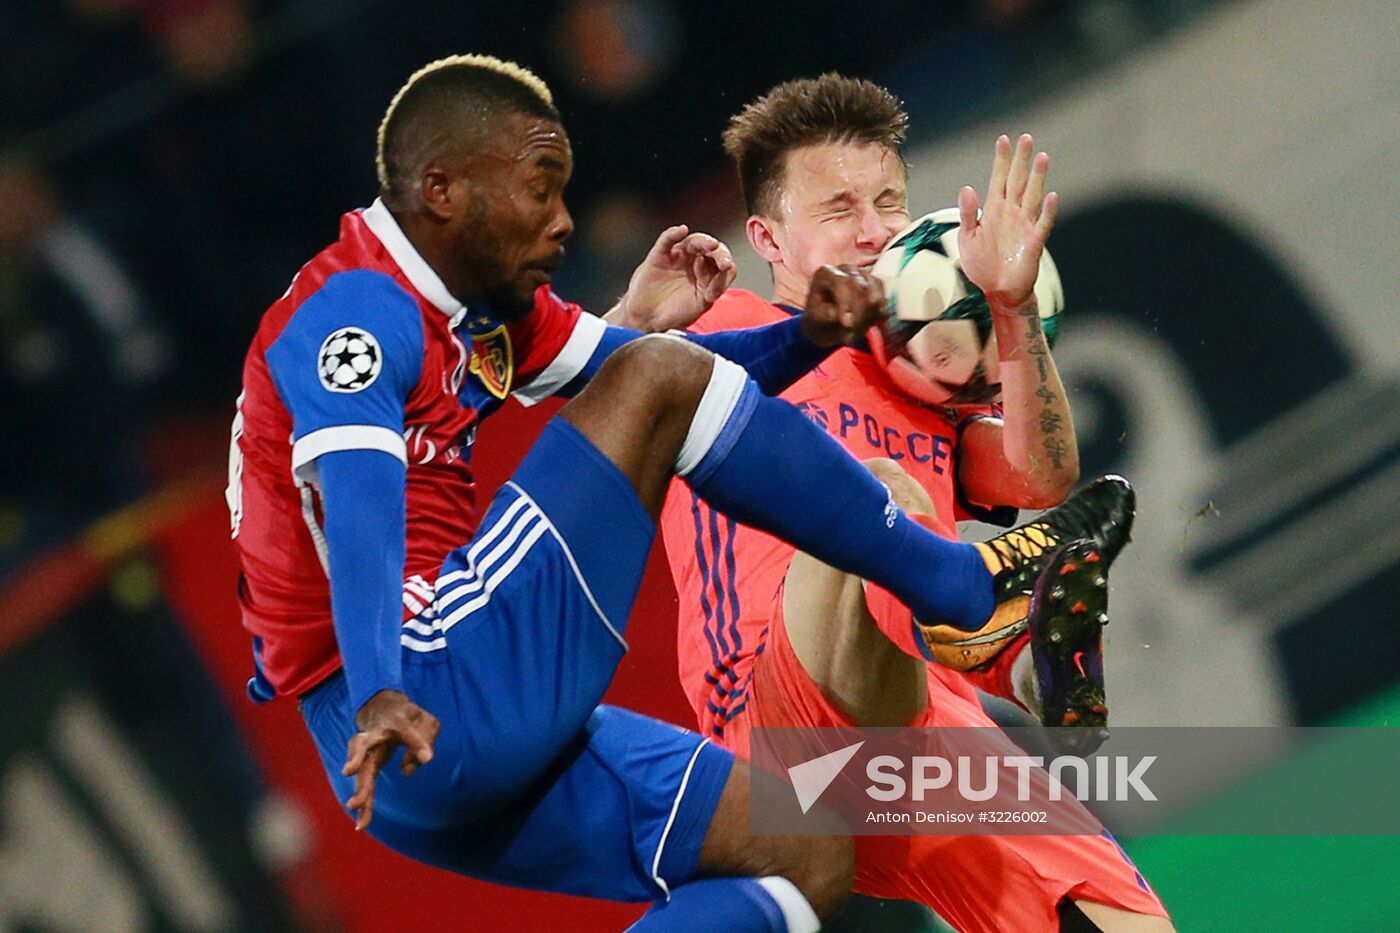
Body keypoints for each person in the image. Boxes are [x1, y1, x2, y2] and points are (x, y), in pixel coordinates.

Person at [228, 55, 1117, 931]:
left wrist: (808, 336)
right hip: (415, 678)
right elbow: (358, 512)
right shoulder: (356, 311)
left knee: (801, 857)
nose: (563, 221)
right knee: (660, 376)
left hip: (421, 757)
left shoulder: (479, 308)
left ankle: (975, 601)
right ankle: (968, 591)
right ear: (445, 189)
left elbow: (674, 376)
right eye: (539, 189)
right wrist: (385, 685)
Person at [656, 75, 1173, 931]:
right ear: (768, 237)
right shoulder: (715, 335)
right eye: (839, 207)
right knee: (874, 493)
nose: (874, 229)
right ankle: (1002, 635)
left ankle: (998, 636)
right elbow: (580, 382)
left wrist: (1011, 313)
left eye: (889, 199)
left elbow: (1040, 479)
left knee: (1126, 919)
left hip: (921, 735)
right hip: (769, 723)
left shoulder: (928, 381)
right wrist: (640, 324)